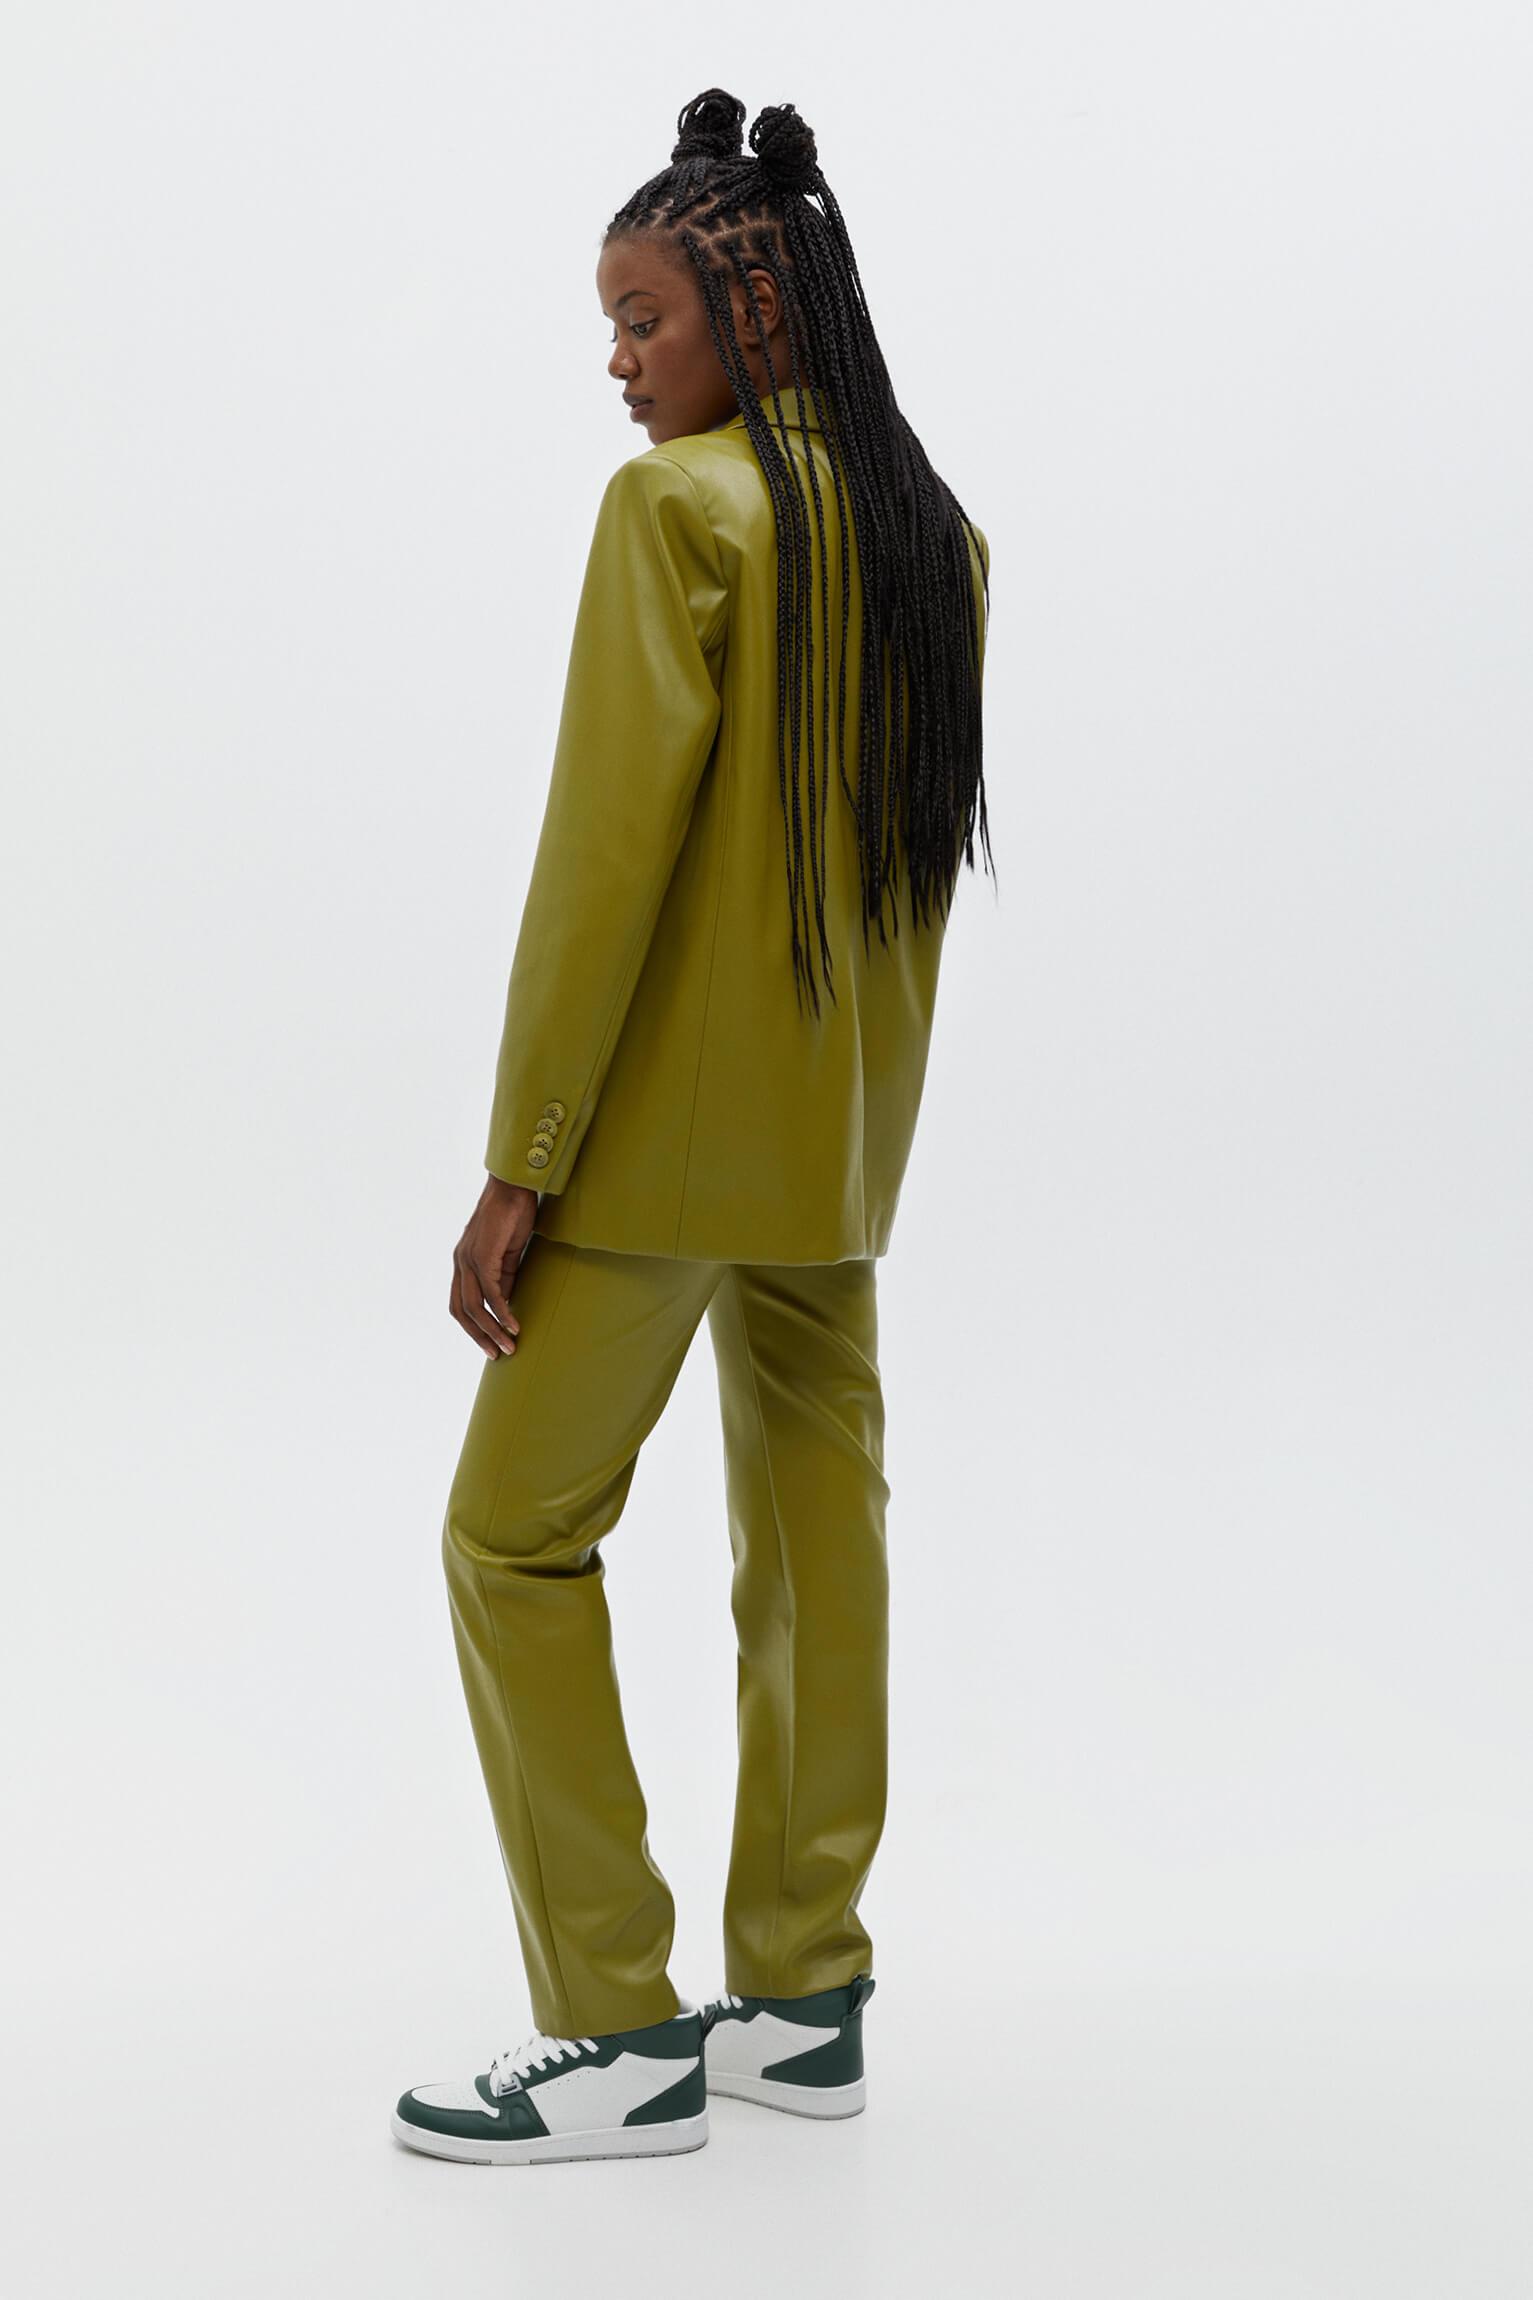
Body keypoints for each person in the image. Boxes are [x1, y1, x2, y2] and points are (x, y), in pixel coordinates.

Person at [392, 87, 993, 2168]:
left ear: (759, 311)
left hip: (654, 1152)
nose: (619, 361)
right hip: (837, 1155)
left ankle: (617, 2028)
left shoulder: (679, 516)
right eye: (612, 326)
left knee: (509, 1536)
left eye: (641, 318)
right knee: (816, 1543)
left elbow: (603, 867)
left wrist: (522, 1162)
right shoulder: (929, 535)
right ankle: (805, 1994)